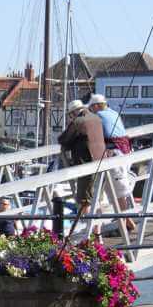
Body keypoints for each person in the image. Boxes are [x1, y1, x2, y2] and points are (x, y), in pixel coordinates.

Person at [58, 99, 106, 240]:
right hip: (101, 163)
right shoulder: (95, 118)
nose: (70, 118)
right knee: (97, 200)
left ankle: (91, 234)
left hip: (87, 166)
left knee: (84, 201)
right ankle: (98, 233)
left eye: (70, 115)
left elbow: (64, 139)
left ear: (74, 112)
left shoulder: (79, 122)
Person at [89, 94, 136, 231]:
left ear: (97, 106)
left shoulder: (98, 117)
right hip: (125, 153)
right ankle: (126, 220)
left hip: (114, 156)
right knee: (118, 191)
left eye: (92, 107)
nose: (91, 110)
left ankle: (125, 220)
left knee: (109, 192)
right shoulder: (114, 113)